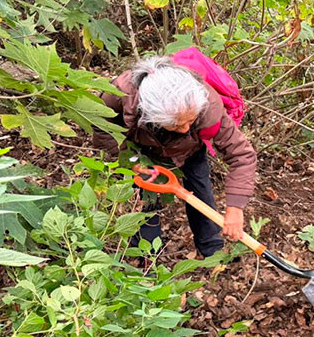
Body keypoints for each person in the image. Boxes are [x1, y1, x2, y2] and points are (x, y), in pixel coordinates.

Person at [93, 55, 257, 257]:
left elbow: (242, 155)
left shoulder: (209, 107)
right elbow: (100, 125)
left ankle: (212, 251)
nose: (185, 128)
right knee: (147, 200)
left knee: (200, 190)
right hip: (143, 149)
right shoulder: (119, 94)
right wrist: (131, 160)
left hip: (190, 149)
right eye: (177, 124)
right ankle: (148, 258)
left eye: (190, 120)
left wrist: (235, 207)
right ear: (148, 113)